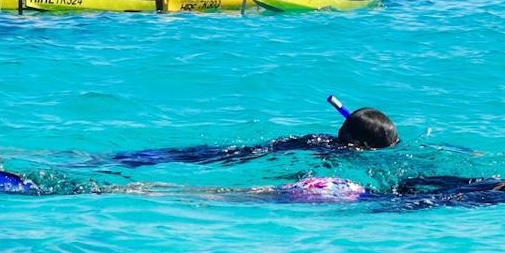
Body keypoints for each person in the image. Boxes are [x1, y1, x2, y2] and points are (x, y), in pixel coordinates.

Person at [0, 150, 505, 208]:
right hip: (340, 203)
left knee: (194, 195)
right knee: (178, 198)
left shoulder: (500, 183)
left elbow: (419, 187)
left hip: (337, 188)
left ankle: (25, 182)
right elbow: (424, 207)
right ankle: (23, 187)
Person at [106, 106, 399, 168]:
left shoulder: (322, 139)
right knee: (193, 160)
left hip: (258, 149)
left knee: (192, 155)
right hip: (265, 155)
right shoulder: (339, 153)